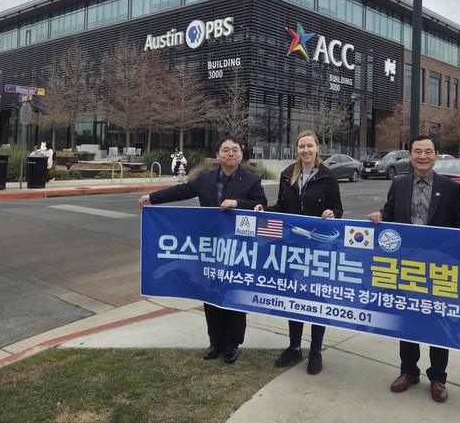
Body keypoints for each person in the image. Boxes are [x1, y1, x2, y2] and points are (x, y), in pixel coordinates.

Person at [138, 136, 267, 364]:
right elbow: (181, 191)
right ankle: (215, 342)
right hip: (210, 248)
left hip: (237, 250)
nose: (230, 153)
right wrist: (152, 198)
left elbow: (261, 204)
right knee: (211, 294)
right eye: (225, 150)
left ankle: (232, 344)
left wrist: (238, 203)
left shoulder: (251, 180)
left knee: (234, 296)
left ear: (241, 154)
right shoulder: (206, 178)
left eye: (235, 150)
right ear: (217, 154)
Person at [367, 134, 460, 403]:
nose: (422, 156)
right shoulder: (399, 184)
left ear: (436, 155)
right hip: (407, 265)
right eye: (417, 151)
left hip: (439, 267)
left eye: (428, 151)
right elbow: (390, 213)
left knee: (439, 319)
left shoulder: (449, 188)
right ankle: (409, 372)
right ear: (410, 155)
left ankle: (438, 377)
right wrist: (380, 216)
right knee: (408, 317)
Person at [254, 129, 343, 375]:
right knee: (293, 297)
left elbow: (337, 208)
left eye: (310, 146)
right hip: (292, 247)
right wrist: (265, 209)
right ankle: (294, 347)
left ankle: (315, 351)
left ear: (317, 148)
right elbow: (282, 206)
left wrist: (332, 214)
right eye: (301, 146)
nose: (305, 150)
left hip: (318, 248)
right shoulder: (287, 175)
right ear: (296, 149)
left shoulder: (328, 176)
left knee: (316, 298)